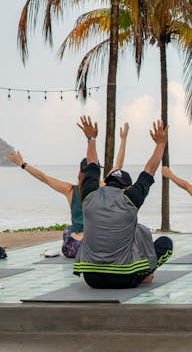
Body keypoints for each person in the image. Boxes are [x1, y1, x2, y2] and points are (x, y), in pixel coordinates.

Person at [73, 117, 173, 288]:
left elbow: (91, 165)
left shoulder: (89, 196)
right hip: (124, 278)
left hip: (92, 279)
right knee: (166, 244)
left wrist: (91, 139)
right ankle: (145, 275)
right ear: (127, 187)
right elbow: (149, 171)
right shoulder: (130, 199)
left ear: (105, 181)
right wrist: (160, 144)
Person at [7, 123, 130, 258]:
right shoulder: (102, 186)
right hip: (92, 245)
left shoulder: (70, 190)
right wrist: (123, 139)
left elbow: (44, 177)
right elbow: (118, 166)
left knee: (68, 230)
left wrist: (22, 164)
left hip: (71, 247)